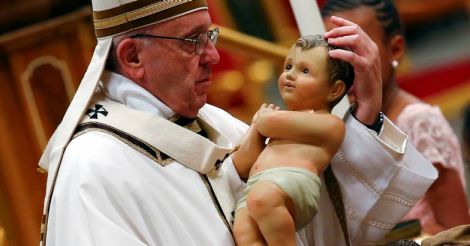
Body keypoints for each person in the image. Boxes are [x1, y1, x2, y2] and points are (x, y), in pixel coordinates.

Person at [38, 0, 437, 245]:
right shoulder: (93, 168)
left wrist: (364, 113)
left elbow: (319, 225)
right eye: (193, 41)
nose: (213, 56)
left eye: (210, 35)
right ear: (132, 58)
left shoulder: (216, 123)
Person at [322, 0, 470, 235]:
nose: (345, 65)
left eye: (356, 49)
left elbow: (457, 231)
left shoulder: (418, 121)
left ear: (396, 49)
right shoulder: (346, 122)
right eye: (334, 53)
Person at [232, 35, 354, 246]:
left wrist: (263, 120)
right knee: (243, 230)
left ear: (335, 89)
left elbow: (269, 122)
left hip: (291, 185)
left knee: (263, 198)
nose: (290, 75)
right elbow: (241, 165)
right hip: (256, 186)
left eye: (304, 71)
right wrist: (254, 128)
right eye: (288, 66)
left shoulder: (330, 124)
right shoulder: (278, 122)